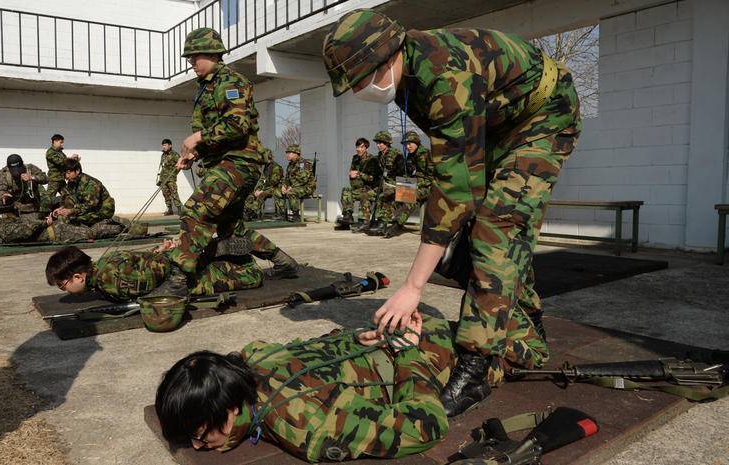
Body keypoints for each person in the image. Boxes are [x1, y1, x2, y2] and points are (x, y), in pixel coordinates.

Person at [323, 10, 582, 416]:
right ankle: (527, 327)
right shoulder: (409, 78)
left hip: (543, 117)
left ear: (389, 54)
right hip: (498, 123)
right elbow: (456, 171)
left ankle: (476, 365)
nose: (358, 90)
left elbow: (455, 188)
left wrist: (413, 287)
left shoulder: (445, 74)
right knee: (477, 236)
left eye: (360, 79)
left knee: (498, 225)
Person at [155, 311, 454, 461]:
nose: (196, 445)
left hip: (429, 343)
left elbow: (426, 425)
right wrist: (354, 337)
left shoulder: (308, 427)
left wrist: (408, 354)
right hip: (390, 330)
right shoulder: (254, 355)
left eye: (199, 434)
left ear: (231, 408)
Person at [159, 27, 300, 295]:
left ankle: (178, 279)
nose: (190, 63)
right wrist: (194, 154)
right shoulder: (206, 88)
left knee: (196, 211)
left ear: (211, 54)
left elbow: (237, 126)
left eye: (193, 57)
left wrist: (197, 137)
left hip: (239, 162)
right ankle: (283, 262)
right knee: (229, 228)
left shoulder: (230, 82)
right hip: (226, 162)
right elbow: (216, 136)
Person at [45, 244, 262, 303]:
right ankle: (212, 252)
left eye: (63, 285)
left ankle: (241, 259)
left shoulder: (109, 281)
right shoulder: (104, 263)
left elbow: (152, 281)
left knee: (252, 277)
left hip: (185, 277)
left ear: (78, 277)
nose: (66, 290)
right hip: (175, 262)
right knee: (215, 265)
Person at [0, 154, 49, 252]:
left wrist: (32, 177)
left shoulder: (30, 168)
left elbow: (46, 178)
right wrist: (3, 195)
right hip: (9, 202)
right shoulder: (3, 173)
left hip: (27, 206)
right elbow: (0, 188)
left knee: (32, 228)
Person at [382, 130, 434, 239]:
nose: (407, 146)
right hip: (414, 185)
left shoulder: (427, 155)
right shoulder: (410, 156)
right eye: (406, 145)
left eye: (409, 144)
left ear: (416, 142)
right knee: (392, 192)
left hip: (428, 187)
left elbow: (432, 177)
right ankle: (384, 222)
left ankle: (397, 224)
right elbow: (410, 174)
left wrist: (417, 184)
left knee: (410, 196)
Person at [0, 214, 126, 246]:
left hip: (57, 232)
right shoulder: (1, 231)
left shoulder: (5, 232)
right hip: (55, 232)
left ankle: (121, 227)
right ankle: (111, 222)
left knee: (91, 233)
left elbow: (27, 229)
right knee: (88, 229)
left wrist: (44, 222)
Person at [359, 131, 402, 235]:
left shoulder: (396, 154)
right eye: (377, 143)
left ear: (387, 143)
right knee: (366, 195)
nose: (378, 145)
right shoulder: (380, 155)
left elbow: (402, 173)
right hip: (383, 185)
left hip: (394, 185)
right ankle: (366, 221)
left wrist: (393, 184)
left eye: (380, 143)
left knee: (384, 195)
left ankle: (382, 223)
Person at [54, 159, 115, 227]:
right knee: (63, 217)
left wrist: (71, 211)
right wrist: (62, 208)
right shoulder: (72, 182)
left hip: (101, 210)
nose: (66, 176)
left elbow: (90, 205)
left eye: (68, 173)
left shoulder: (91, 184)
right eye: (64, 173)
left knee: (73, 220)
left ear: (77, 171)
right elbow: (67, 197)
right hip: (85, 209)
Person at [336, 137, 381, 230]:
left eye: (361, 147)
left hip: (371, 188)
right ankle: (348, 216)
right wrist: (352, 174)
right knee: (346, 190)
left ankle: (363, 221)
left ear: (366, 148)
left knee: (365, 195)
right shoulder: (355, 158)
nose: (358, 149)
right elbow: (352, 171)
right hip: (359, 187)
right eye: (357, 147)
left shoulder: (372, 160)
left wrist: (359, 174)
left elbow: (373, 178)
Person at [274, 145, 316, 222]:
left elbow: (303, 179)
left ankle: (296, 215)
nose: (287, 155)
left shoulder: (304, 163)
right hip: (295, 186)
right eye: (287, 153)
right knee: (277, 191)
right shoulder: (290, 165)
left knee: (291, 192)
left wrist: (291, 187)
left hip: (307, 187)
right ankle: (282, 214)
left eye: (289, 153)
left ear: (296, 153)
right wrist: (284, 186)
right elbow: (287, 178)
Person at [45, 134, 81, 207]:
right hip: (54, 179)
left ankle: (68, 209)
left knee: (67, 195)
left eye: (62, 142)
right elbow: (60, 162)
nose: (62, 144)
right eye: (60, 142)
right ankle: (44, 212)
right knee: (49, 197)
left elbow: (66, 163)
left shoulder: (60, 152)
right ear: (55, 141)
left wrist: (74, 161)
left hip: (61, 178)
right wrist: (70, 159)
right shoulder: (50, 152)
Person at [244, 156, 284, 221]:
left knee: (261, 195)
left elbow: (273, 182)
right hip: (266, 187)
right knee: (251, 195)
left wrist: (262, 190)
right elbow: (262, 180)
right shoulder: (265, 167)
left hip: (275, 188)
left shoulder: (276, 167)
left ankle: (251, 212)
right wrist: (258, 189)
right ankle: (247, 211)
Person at [157, 138, 183, 216]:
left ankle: (180, 210)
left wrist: (174, 174)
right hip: (163, 178)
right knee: (166, 194)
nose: (163, 147)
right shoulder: (163, 155)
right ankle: (170, 209)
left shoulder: (174, 154)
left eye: (165, 145)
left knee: (174, 193)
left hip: (171, 178)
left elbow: (180, 165)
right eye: (163, 145)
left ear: (170, 145)